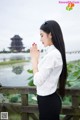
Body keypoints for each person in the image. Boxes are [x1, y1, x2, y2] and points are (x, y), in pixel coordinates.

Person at [30, 20, 67, 120]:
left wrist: (34, 60)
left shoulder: (53, 55)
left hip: (48, 102)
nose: (40, 39)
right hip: (47, 100)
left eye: (42, 35)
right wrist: (37, 58)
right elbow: (42, 75)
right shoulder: (52, 53)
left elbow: (37, 81)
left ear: (50, 34)